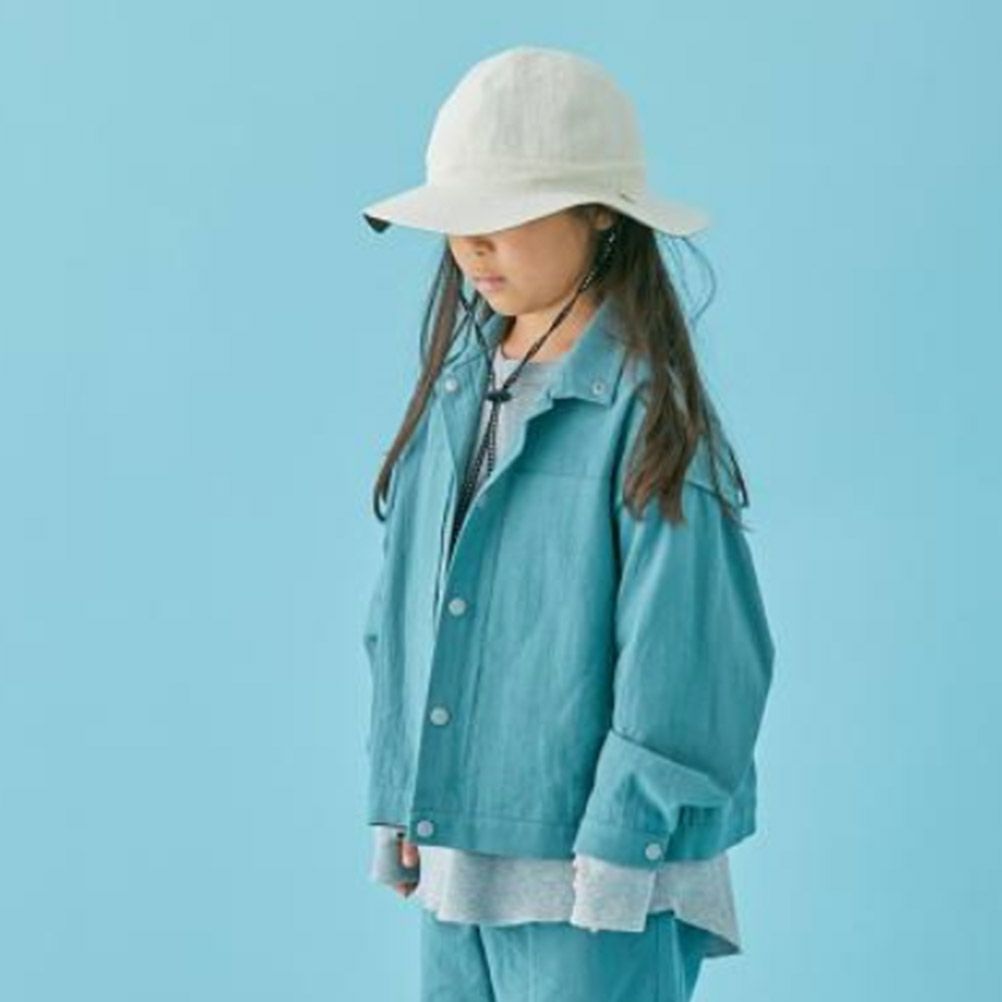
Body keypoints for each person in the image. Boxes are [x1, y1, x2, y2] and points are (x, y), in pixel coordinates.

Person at [359, 45, 776, 1002]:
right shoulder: (459, 390)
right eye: (458, 218)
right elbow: (402, 613)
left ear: (601, 212)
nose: (472, 245)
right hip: (461, 854)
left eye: (503, 213)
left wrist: (626, 841)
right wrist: (398, 794)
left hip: (597, 872)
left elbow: (693, 657)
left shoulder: (646, 413)